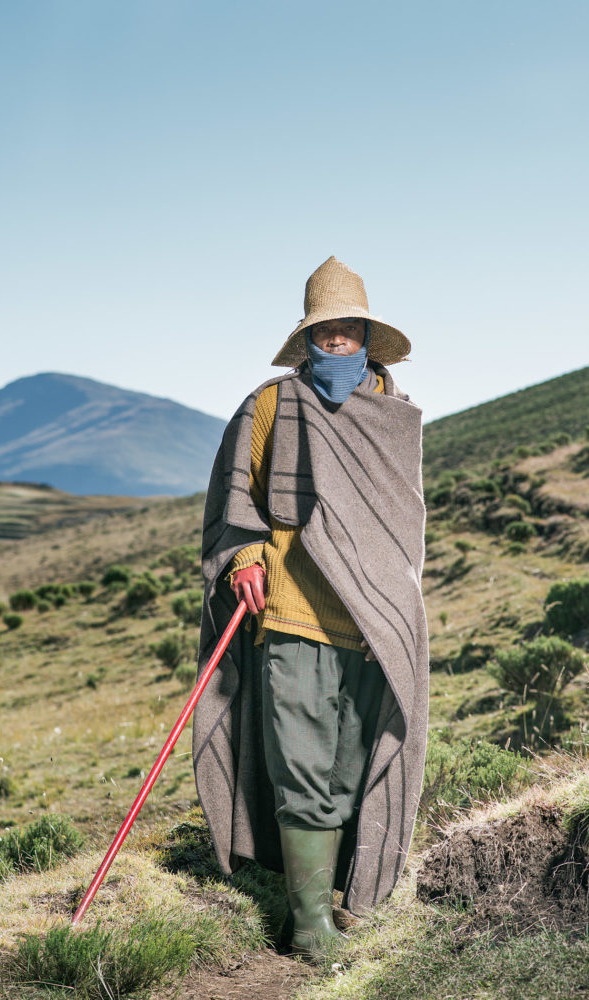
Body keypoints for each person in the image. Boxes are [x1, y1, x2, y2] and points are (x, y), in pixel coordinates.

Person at [192, 256, 429, 958]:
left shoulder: (395, 416)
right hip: (291, 615)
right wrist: (243, 558)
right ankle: (309, 925)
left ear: (365, 334)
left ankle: (353, 896)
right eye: (325, 330)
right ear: (309, 337)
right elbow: (234, 506)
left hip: (372, 623)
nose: (337, 340)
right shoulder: (269, 406)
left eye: (348, 328)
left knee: (355, 766)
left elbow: (401, 524)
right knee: (300, 765)